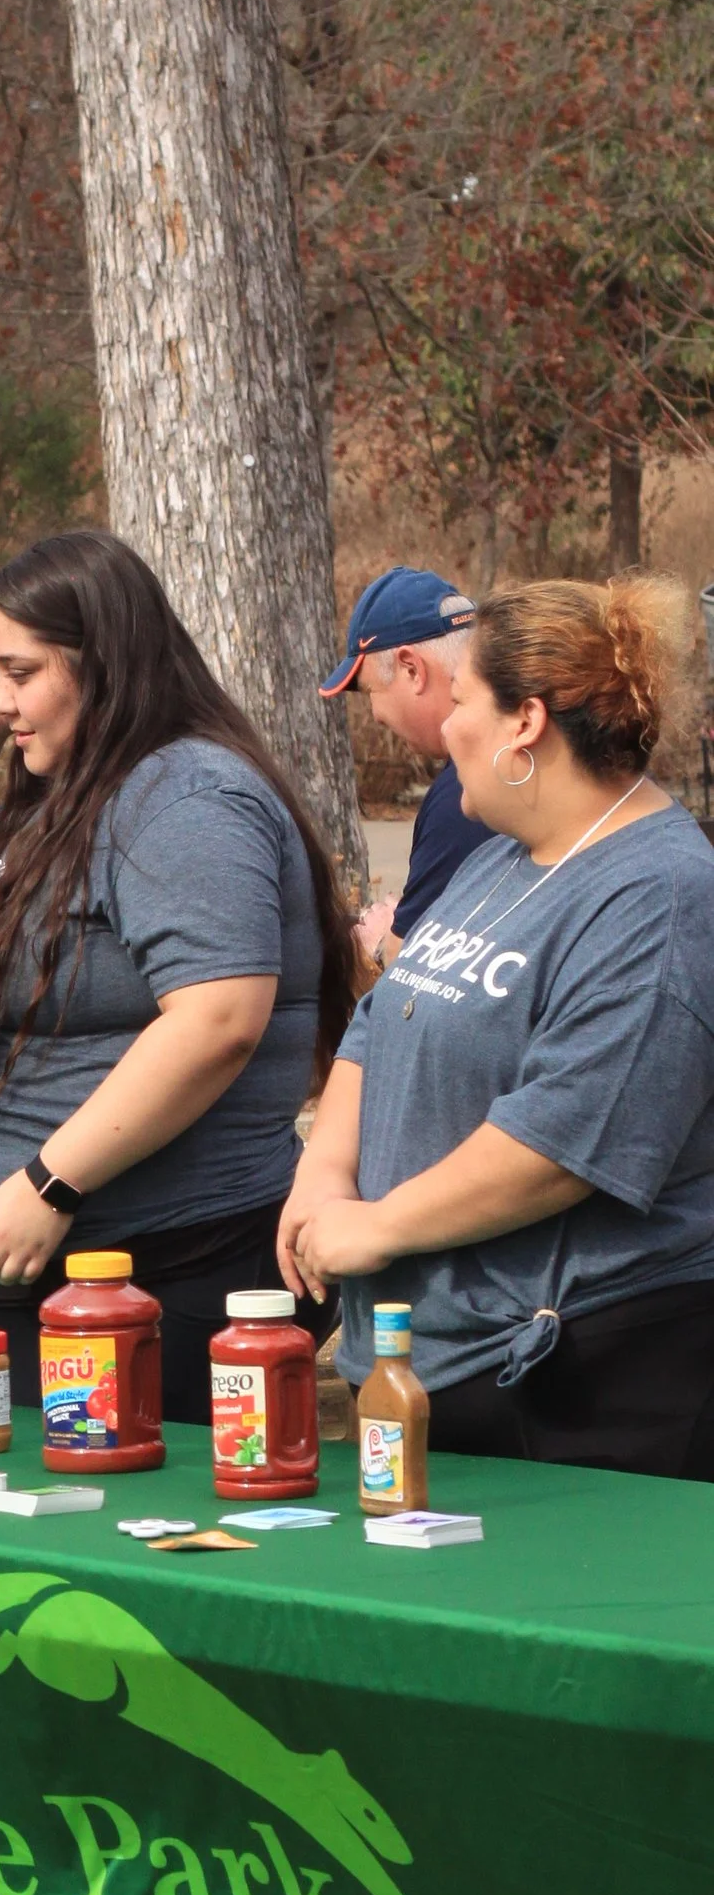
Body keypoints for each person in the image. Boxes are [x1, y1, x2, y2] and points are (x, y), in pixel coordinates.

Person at [0, 524, 348, 1418]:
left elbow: (217, 1018)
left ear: (105, 664)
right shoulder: (66, 795)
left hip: (156, 1279)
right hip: (45, 1304)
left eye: (22, 673)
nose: (2, 696)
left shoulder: (186, 796)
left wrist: (53, 1181)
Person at [282, 575, 714, 1478]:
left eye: (466, 701)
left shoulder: (664, 895)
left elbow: (566, 1136)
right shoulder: (501, 862)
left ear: (525, 723)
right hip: (429, 1366)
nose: (445, 726)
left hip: (579, 1386)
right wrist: (322, 1174)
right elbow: (379, 1024)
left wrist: (381, 1226)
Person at [321, 565, 481, 975]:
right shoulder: (544, 744)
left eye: (371, 691)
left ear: (412, 669)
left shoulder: (468, 795)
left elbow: (412, 968)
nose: (374, 716)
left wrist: (379, 942)